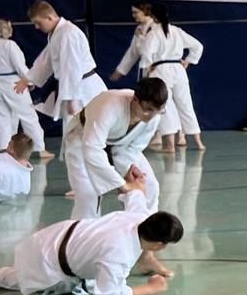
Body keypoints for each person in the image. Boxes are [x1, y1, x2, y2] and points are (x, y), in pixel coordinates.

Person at [0, 165, 181, 295]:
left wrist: (134, 180)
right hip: (51, 264)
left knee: (79, 272)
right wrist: (150, 289)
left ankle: (6, 273)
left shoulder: (140, 217)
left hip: (53, 236)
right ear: (158, 244)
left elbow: (134, 193)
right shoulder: (119, 253)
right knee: (31, 280)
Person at [62, 79, 168, 220]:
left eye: (157, 111)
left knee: (149, 185)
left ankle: (144, 228)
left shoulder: (154, 115)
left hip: (121, 147)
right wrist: (123, 184)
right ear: (135, 99)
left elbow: (133, 148)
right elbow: (91, 149)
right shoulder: (110, 106)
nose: (152, 115)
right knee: (88, 197)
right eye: (148, 109)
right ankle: (82, 232)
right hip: (81, 140)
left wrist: (129, 170)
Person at [112, 2, 205, 154]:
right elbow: (198, 46)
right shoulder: (176, 30)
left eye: (136, 13)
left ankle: (170, 145)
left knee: (164, 106)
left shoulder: (153, 33)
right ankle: (198, 142)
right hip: (178, 69)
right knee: (185, 104)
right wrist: (188, 61)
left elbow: (146, 53)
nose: (134, 16)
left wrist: (147, 65)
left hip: (160, 70)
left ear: (152, 16)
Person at [15, 0, 106, 128]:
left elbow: (71, 68)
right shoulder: (58, 33)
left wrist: (70, 98)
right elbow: (47, 60)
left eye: (38, 23)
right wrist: (28, 79)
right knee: (75, 131)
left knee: (81, 130)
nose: (36, 27)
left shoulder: (68, 34)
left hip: (82, 90)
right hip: (76, 87)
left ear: (49, 17)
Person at [0, 19, 49, 160]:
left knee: (1, 118)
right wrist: (29, 81)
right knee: (28, 115)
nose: (11, 30)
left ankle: (3, 149)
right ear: (2, 30)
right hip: (13, 83)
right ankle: (39, 148)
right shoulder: (10, 45)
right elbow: (20, 66)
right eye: (8, 28)